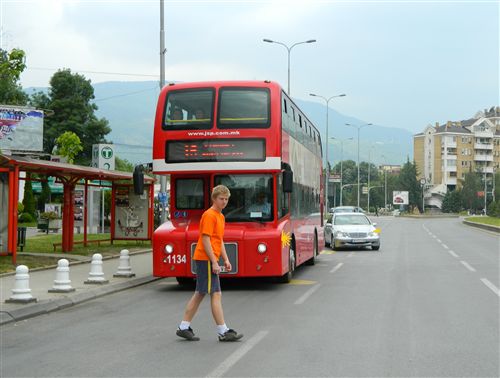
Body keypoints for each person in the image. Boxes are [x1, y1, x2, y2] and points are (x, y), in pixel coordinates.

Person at [176, 185, 243, 342]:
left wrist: (225, 259)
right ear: (214, 199)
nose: (224, 202)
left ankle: (184, 327)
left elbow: (218, 240)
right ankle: (223, 331)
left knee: (201, 293)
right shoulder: (209, 215)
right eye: (221, 199)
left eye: (226, 199)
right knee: (213, 293)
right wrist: (214, 261)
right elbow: (205, 239)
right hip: (205, 258)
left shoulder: (220, 217)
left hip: (209, 258)